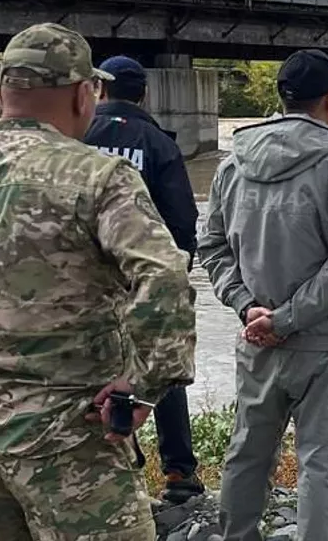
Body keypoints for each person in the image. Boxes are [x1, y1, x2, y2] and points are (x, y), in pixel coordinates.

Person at [0, 23, 197, 541]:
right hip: (72, 436)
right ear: (85, 94)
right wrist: (144, 387)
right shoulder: (99, 177)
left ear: (2, 92)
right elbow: (165, 278)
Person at [199, 48, 328, 541]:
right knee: (322, 467)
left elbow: (211, 245)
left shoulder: (233, 162)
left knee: (247, 454)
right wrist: (288, 319)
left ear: (281, 97)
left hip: (256, 339)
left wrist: (247, 308)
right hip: (326, 344)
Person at [83, 54, 204, 503]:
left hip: (82, 284)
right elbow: (182, 221)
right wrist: (175, 276)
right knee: (160, 367)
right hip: (145, 277)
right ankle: (178, 473)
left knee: (89, 369)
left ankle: (101, 469)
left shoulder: (77, 137)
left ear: (99, 89)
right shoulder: (158, 144)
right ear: (145, 94)